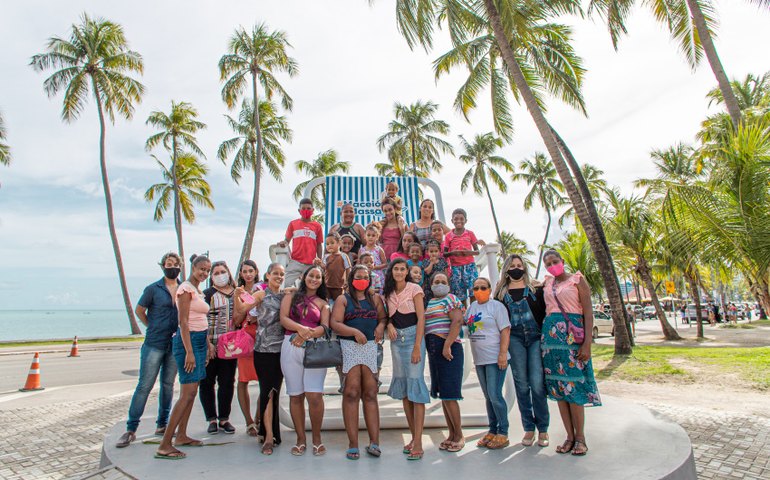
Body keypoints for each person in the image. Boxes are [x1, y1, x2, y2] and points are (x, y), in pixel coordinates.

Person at [116, 252, 181, 448]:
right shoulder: (153, 289)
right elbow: (139, 311)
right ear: (163, 266)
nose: (172, 267)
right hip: (154, 342)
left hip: (174, 343)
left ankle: (162, 424)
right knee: (145, 385)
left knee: (168, 385)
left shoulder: (183, 289)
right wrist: (151, 326)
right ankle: (131, 428)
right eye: (168, 264)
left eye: (175, 264)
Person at [542, 249, 601, 457]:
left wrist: (587, 344)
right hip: (551, 341)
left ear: (562, 261)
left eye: (554, 261)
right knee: (560, 389)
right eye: (547, 263)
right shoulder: (548, 283)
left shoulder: (577, 280)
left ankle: (581, 437)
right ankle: (569, 436)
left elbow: (588, 312)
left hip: (572, 339)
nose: (551, 265)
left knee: (573, 386)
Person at [155, 254, 212, 460]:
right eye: (201, 269)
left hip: (198, 341)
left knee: (192, 391)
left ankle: (182, 435)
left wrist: (206, 345)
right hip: (188, 342)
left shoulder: (198, 290)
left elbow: (200, 319)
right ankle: (165, 443)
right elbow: (184, 322)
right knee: (186, 393)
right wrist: (189, 351)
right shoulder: (185, 289)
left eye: (207, 270)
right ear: (193, 268)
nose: (204, 273)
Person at [330, 265, 388, 460]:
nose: (362, 279)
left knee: (371, 393)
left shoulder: (375, 298)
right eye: (358, 276)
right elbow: (335, 324)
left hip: (371, 347)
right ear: (351, 278)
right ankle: (353, 444)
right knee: (351, 392)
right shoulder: (343, 299)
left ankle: (374, 442)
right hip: (349, 347)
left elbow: (383, 318)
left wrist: (380, 326)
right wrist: (354, 332)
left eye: (365, 276)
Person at [494, 255, 549, 448]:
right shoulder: (500, 294)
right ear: (506, 270)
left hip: (535, 337)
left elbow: (545, 311)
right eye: (512, 266)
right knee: (521, 383)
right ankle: (528, 427)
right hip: (514, 338)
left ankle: (543, 428)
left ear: (524, 268)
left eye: (519, 266)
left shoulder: (535, 290)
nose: (516, 269)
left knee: (537, 383)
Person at [280, 266, 331, 457]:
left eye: (318, 277)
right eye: (312, 275)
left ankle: (317, 439)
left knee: (315, 396)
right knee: (296, 395)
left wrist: (305, 335)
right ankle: (301, 439)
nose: (314, 279)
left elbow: (324, 327)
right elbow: (284, 319)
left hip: (314, 348)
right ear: (304, 276)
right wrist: (301, 329)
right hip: (290, 346)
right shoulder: (291, 296)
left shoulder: (323, 303)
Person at [383, 258, 429, 460]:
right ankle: (413, 437)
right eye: (396, 269)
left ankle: (418, 441)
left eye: (402, 269)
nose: (399, 272)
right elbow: (386, 316)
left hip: (413, 339)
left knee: (416, 387)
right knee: (404, 391)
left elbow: (421, 318)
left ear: (407, 271)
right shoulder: (388, 292)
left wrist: (418, 346)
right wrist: (388, 325)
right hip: (396, 341)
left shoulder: (414, 289)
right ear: (391, 271)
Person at [466, 277, 511, 450]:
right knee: (488, 396)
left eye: (483, 287)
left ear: (490, 289)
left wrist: (502, 354)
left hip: (495, 358)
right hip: (480, 359)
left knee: (495, 394)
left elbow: (505, 330)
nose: (479, 290)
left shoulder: (496, 307)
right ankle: (492, 430)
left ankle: (503, 431)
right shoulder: (471, 307)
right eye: (476, 288)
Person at [424, 272, 465, 452]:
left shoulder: (451, 299)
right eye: (436, 282)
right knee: (444, 395)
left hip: (447, 348)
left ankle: (459, 435)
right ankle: (451, 434)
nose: (439, 284)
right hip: (434, 350)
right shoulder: (430, 303)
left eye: (443, 281)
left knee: (451, 394)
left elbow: (457, 321)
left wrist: (447, 345)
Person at [250, 262, 286, 455]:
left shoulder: (285, 295)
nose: (279, 276)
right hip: (263, 350)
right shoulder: (261, 294)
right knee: (267, 391)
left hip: (281, 351)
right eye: (275, 273)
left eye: (282, 274)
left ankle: (269, 432)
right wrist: (240, 298)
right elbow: (242, 310)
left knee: (275, 391)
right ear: (267, 275)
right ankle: (269, 436)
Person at [199, 261, 238, 435]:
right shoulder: (206, 294)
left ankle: (224, 418)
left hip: (230, 346)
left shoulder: (238, 293)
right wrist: (207, 344)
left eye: (223, 271)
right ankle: (211, 419)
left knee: (227, 382)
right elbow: (201, 320)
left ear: (229, 273)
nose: (220, 275)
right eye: (216, 272)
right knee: (207, 382)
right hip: (210, 345)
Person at [232, 260, 261, 437]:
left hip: (262, 337)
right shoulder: (238, 293)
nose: (248, 274)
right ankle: (249, 421)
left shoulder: (262, 289)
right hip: (244, 338)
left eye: (251, 270)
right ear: (241, 274)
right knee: (243, 380)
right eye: (245, 271)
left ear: (256, 271)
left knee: (263, 381)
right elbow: (236, 319)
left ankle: (258, 418)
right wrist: (240, 301)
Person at [279, 198, 324, 288]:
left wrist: (319, 260)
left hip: (311, 263)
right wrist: (283, 243)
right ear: (299, 211)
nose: (306, 210)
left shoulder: (317, 226)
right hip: (295, 261)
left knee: (310, 287)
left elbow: (319, 244)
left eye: (308, 208)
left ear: (312, 210)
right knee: (284, 284)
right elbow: (286, 240)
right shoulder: (293, 224)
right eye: (303, 208)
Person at [444, 208, 480, 304]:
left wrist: (469, 252)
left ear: (466, 221)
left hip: (470, 266)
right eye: (456, 219)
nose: (458, 221)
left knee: (473, 291)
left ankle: (473, 312)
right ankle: (464, 314)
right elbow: (444, 253)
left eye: (461, 219)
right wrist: (453, 253)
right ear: (452, 221)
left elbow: (477, 251)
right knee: (460, 294)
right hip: (456, 268)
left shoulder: (470, 233)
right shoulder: (448, 236)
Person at [323, 232, 352, 302]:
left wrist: (348, 282)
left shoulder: (343, 256)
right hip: (327, 285)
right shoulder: (326, 256)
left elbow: (348, 269)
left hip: (339, 286)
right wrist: (319, 263)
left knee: (338, 302)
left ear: (339, 243)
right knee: (327, 302)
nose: (329, 246)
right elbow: (324, 268)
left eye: (332, 243)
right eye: (327, 244)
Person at [359, 224, 388, 292]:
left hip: (378, 275)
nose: (370, 237)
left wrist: (375, 267)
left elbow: (385, 264)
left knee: (378, 292)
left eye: (373, 235)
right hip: (365, 275)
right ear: (364, 236)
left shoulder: (379, 249)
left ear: (377, 237)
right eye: (368, 235)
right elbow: (358, 263)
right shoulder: (361, 250)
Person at [422, 239, 450, 304]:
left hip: (441, 286)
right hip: (429, 288)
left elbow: (446, 274)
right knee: (430, 302)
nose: (433, 253)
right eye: (431, 251)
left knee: (441, 302)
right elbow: (427, 272)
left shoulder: (442, 261)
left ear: (439, 252)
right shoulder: (426, 261)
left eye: (436, 251)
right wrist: (431, 263)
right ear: (427, 252)